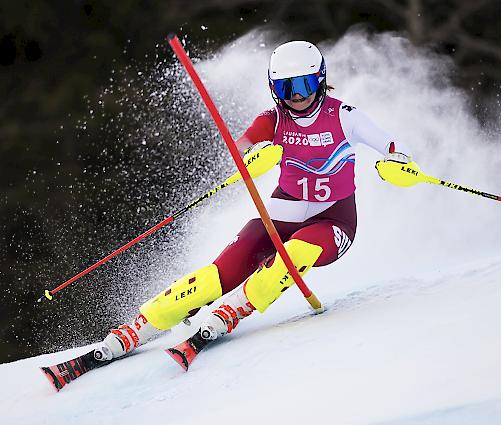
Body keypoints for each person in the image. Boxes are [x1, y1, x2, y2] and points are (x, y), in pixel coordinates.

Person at [93, 40, 421, 362]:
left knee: (296, 253)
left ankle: (233, 310)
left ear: (320, 80)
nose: (297, 97)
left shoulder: (345, 116)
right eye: (285, 89)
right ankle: (138, 327)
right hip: (279, 216)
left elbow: (392, 144)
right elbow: (241, 146)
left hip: (333, 223)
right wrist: (252, 155)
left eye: (305, 85)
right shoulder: (273, 119)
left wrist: (398, 162)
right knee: (218, 275)